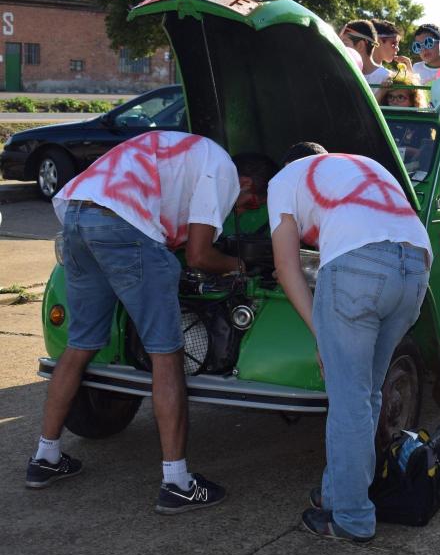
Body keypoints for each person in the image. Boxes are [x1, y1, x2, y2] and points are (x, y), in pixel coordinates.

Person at [25, 131, 267, 515]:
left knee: (80, 344)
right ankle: (177, 483)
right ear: (247, 183)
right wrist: (240, 267)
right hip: (122, 221)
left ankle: (45, 458)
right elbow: (199, 256)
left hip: (77, 212)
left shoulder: (188, 151)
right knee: (166, 354)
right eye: (251, 203)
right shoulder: (222, 168)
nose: (243, 210)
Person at [267, 142, 432, 542]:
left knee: (349, 401)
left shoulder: (284, 179)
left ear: (291, 163)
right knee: (366, 394)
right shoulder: (363, 165)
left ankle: (352, 518)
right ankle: (339, 493)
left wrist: (322, 334)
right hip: (416, 268)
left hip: (359, 268)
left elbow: (286, 268)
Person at [339, 19, 390, 86]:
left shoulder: (386, 78)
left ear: (360, 45)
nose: (340, 48)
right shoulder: (343, 75)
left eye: (344, 43)